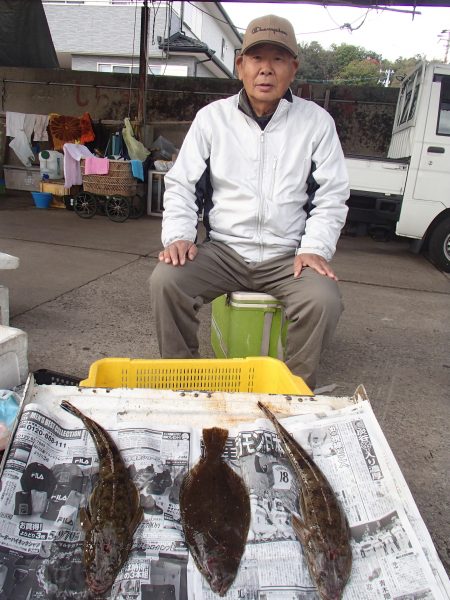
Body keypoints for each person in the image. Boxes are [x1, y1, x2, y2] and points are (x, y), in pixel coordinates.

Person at [150, 14, 349, 390]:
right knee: (166, 281)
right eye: (257, 58)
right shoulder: (212, 119)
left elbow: (332, 193)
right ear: (240, 65)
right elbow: (181, 183)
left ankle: (291, 392)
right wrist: (179, 236)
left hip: (288, 256)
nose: (266, 70)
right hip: (223, 251)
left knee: (323, 299)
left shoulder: (316, 123)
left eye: (277, 59)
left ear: (293, 68)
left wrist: (315, 248)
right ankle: (183, 383)